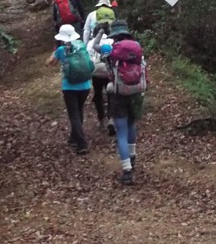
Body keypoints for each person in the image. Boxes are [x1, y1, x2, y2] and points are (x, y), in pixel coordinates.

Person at [92, 20, 146, 185]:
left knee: (121, 132)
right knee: (131, 125)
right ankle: (133, 157)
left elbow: (95, 46)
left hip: (117, 94)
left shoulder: (110, 50)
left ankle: (127, 171)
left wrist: (100, 32)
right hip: (136, 92)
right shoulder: (136, 48)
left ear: (114, 35)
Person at [46, 24, 92, 155]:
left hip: (69, 86)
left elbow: (50, 63)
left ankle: (82, 143)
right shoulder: (82, 46)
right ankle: (74, 137)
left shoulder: (61, 50)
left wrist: (54, 51)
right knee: (79, 110)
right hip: (85, 85)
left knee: (73, 114)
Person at [87, 33, 114, 131]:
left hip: (96, 72)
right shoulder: (111, 41)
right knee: (111, 94)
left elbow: (88, 58)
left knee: (98, 95)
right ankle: (111, 117)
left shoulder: (91, 43)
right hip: (108, 72)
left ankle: (101, 118)